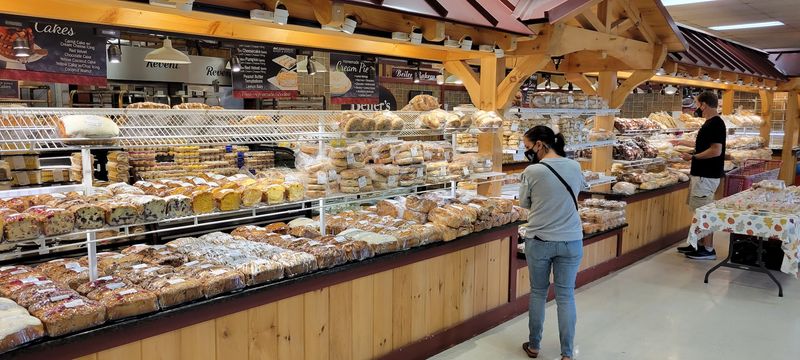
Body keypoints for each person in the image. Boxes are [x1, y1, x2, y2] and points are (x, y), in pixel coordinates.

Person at [518, 125, 587, 360]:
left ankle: (535, 345)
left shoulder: (532, 171)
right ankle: (567, 352)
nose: (527, 151)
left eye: (528, 147)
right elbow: (579, 191)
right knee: (566, 296)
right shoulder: (575, 166)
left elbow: (524, 204)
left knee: (538, 292)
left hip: (539, 239)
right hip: (570, 240)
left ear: (539, 144)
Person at [673, 91, 727, 260]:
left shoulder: (716, 124)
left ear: (704, 104)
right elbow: (704, 145)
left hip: (706, 175)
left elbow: (715, 150)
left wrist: (693, 156)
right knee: (698, 212)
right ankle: (697, 244)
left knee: (704, 212)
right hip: (701, 175)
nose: (696, 107)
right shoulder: (710, 123)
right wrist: (683, 143)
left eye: (697, 104)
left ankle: (708, 249)